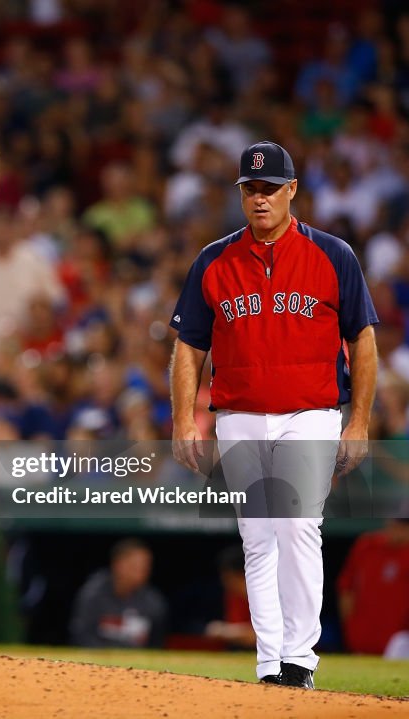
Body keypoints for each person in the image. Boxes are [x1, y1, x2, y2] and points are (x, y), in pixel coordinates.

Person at [170, 141, 379, 688]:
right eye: (250, 189)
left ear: (291, 190)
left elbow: (362, 338)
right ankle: (269, 665)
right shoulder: (214, 260)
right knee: (258, 538)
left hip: (310, 413)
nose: (259, 198)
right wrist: (182, 421)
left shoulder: (333, 255)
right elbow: (189, 347)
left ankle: (299, 659)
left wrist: (358, 422)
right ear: (240, 193)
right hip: (237, 414)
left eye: (268, 188)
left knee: (299, 527)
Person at [68, 538, 168, 648]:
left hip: (135, 661)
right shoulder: (93, 594)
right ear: (118, 564)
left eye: (146, 566)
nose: (142, 571)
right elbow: (81, 635)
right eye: (135, 565)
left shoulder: (153, 601)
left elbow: (156, 643)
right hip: (97, 659)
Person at [337, 519, 409, 656]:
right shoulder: (367, 546)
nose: (398, 531)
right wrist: (349, 629)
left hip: (399, 645)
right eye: (396, 525)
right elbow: (346, 589)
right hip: (361, 640)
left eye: (404, 527)